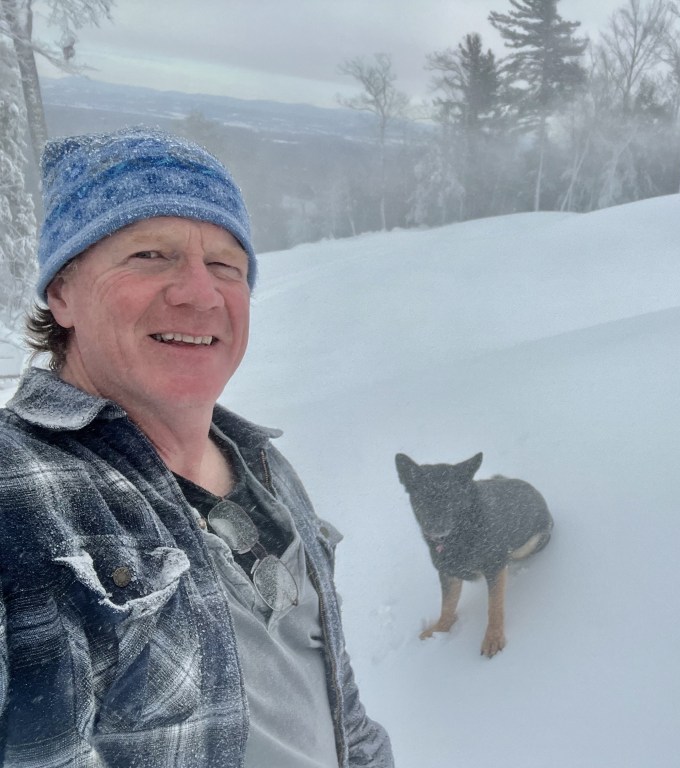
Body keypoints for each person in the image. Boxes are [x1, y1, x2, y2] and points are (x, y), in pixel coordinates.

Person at [0, 127, 394, 767]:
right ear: (62, 292)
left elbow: (341, 707)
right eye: (150, 254)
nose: (200, 293)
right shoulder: (19, 491)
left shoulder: (262, 464)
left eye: (225, 266)